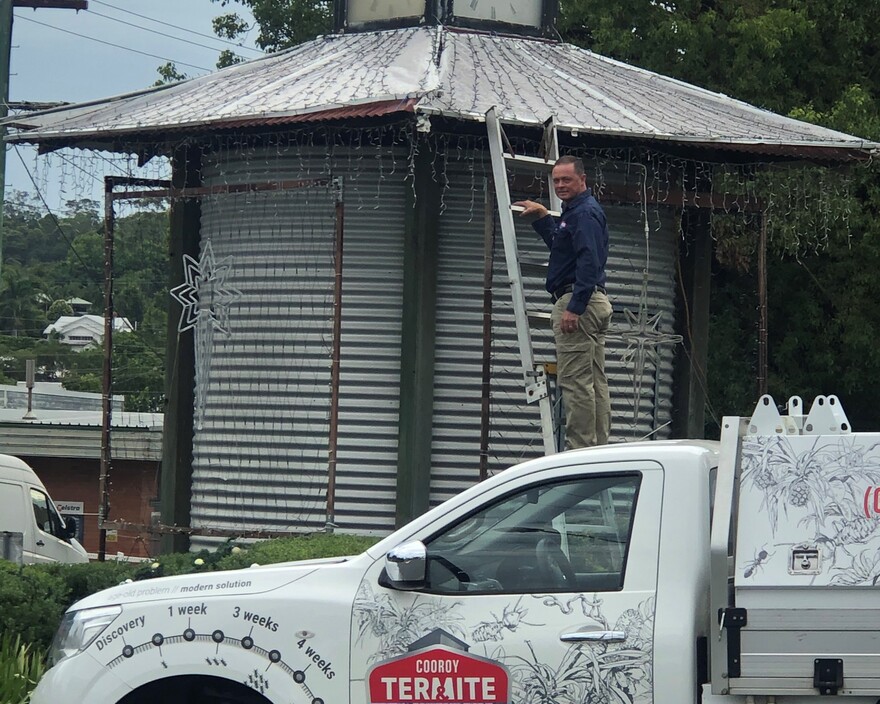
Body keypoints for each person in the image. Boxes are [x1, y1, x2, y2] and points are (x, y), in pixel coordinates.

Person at [514, 156, 612, 448]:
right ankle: (597, 445)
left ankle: (580, 449)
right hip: (589, 298)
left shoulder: (583, 214)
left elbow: (588, 260)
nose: (560, 185)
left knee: (576, 380)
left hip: (578, 298)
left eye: (566, 179)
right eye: (556, 180)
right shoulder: (577, 212)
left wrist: (575, 306)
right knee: (593, 379)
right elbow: (564, 249)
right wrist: (544, 216)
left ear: (583, 179)